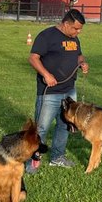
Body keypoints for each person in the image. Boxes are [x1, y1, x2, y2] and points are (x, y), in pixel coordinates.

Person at [28, 9, 89, 171]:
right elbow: (33, 58)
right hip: (49, 91)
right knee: (41, 127)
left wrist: (83, 63)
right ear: (66, 23)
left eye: (80, 29)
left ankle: (57, 157)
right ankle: (32, 160)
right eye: (76, 28)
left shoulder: (75, 39)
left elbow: (79, 55)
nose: (78, 32)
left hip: (69, 91)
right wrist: (46, 75)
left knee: (65, 125)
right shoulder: (47, 35)